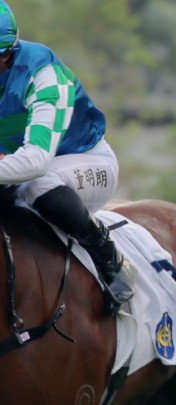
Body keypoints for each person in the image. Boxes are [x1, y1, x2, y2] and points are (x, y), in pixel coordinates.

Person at [0, 1, 132, 313]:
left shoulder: (44, 74)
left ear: (5, 54)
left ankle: (108, 256)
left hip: (85, 162)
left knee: (36, 184)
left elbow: (35, 161)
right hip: (14, 165)